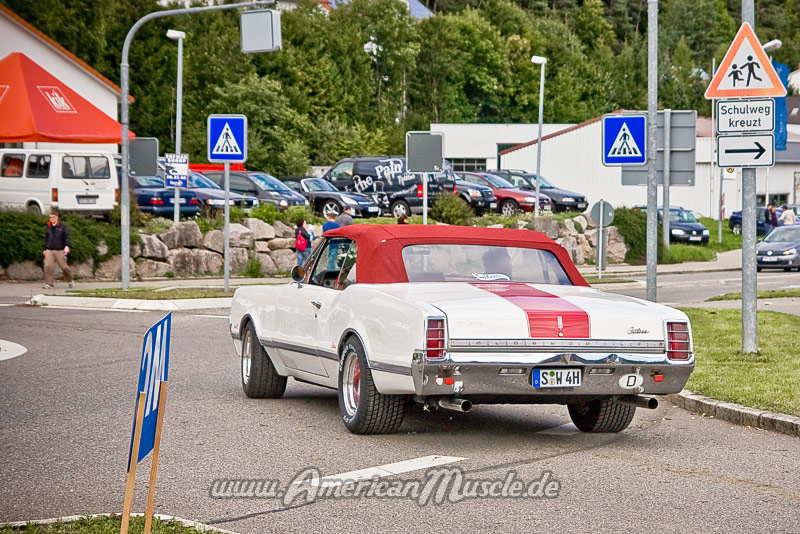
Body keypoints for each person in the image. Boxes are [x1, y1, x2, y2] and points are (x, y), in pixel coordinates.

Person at [43, 209, 73, 289]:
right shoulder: (48, 226)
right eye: (50, 217)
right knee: (48, 266)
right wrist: (45, 249)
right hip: (49, 249)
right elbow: (46, 238)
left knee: (64, 267)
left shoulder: (62, 227)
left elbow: (67, 237)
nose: (52, 219)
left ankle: (70, 280)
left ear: (57, 217)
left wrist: (67, 246)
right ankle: (49, 283)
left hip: (60, 250)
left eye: (53, 217)